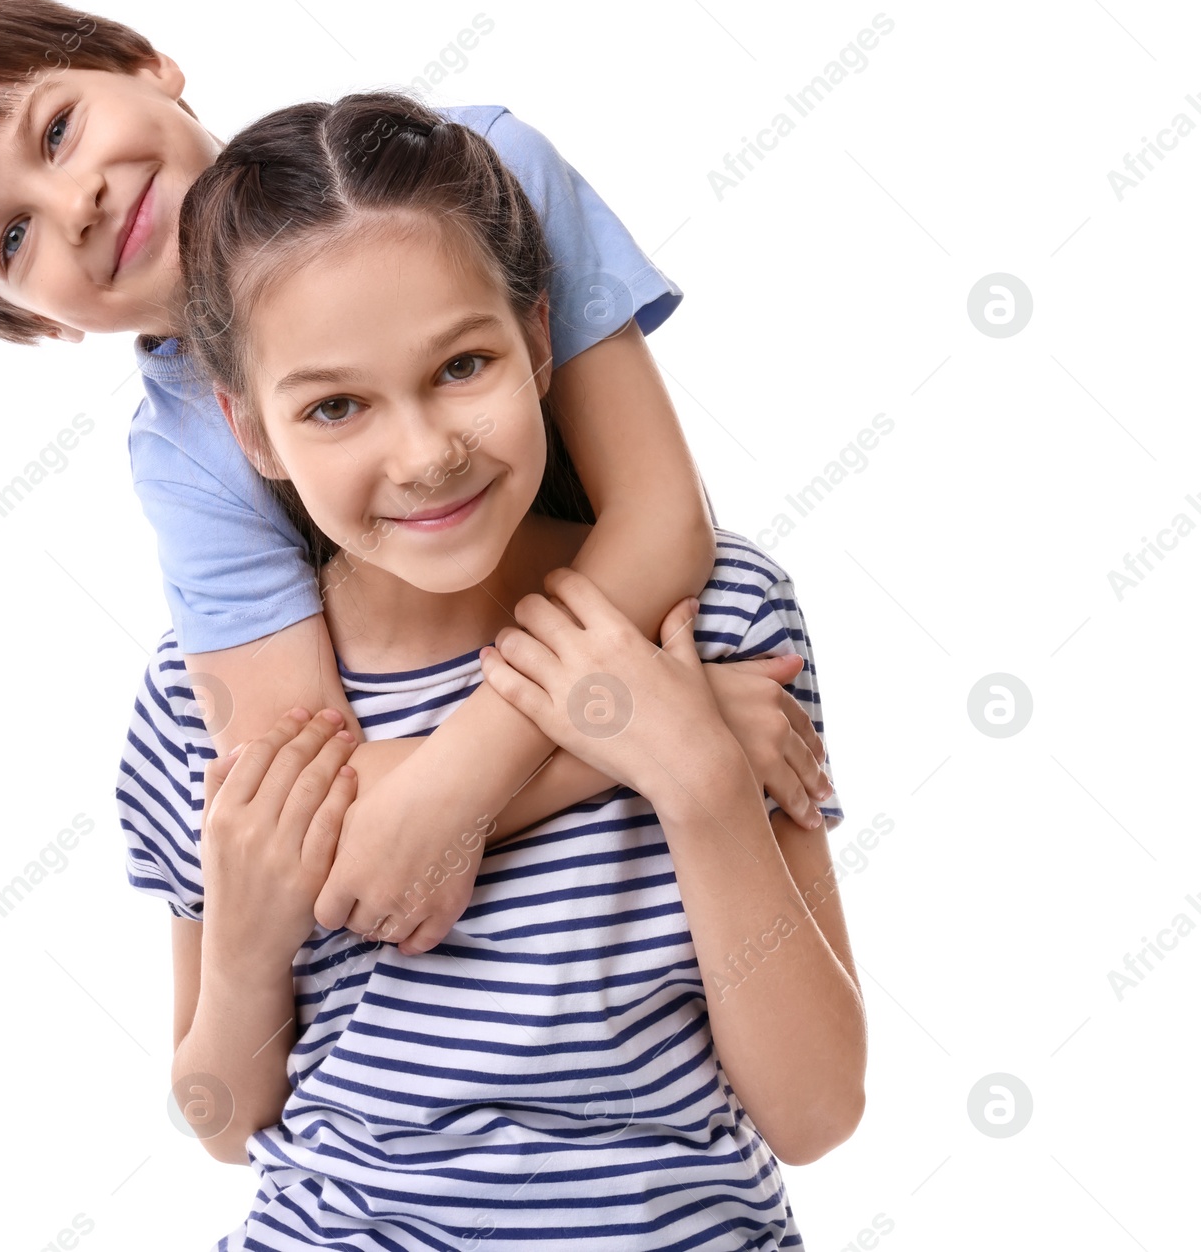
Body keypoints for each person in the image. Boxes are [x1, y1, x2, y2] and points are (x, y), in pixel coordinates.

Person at [0, 0, 833, 952]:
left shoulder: (483, 175)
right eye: (14, 237)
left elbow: (658, 520)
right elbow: (311, 803)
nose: (76, 206)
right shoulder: (180, 458)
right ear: (31, 320)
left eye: (57, 132)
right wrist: (650, 731)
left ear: (144, 60)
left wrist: (466, 780)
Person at [116, 91, 866, 1249]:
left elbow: (815, 1111)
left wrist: (698, 774)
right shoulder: (200, 707)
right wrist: (248, 949)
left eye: (462, 364)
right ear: (250, 430)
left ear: (537, 338)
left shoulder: (714, 619)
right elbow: (222, 1120)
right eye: (334, 406)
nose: (422, 454)